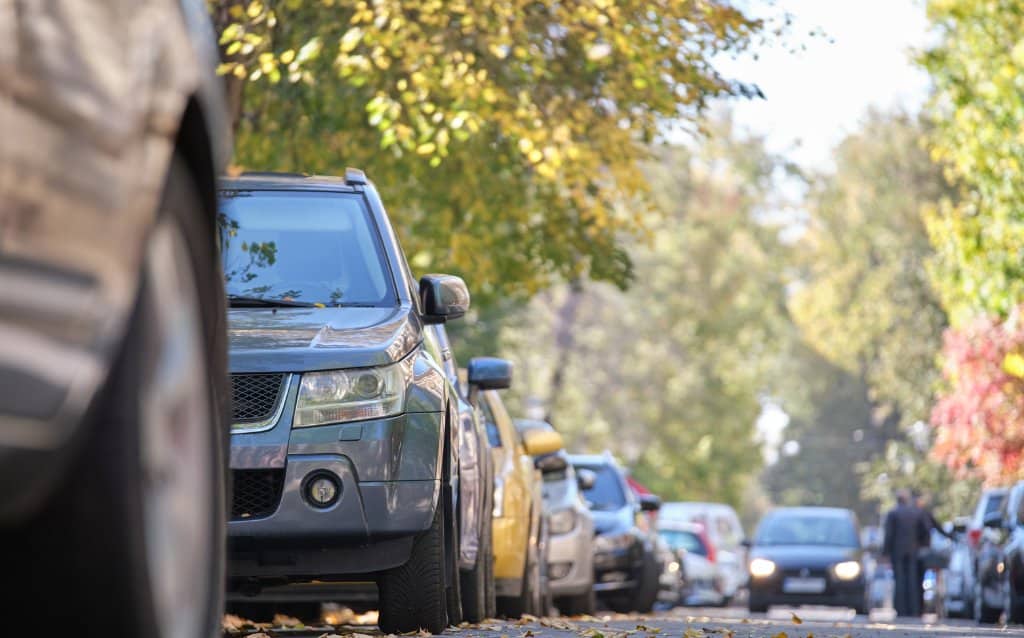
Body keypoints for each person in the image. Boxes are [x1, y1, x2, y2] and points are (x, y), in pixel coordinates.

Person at [883, 489, 928, 617]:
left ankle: (901, 609)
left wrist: (885, 552)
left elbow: (889, 535)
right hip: (913, 551)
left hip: (897, 552)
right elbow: (925, 531)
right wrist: (921, 545)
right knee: (912, 580)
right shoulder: (916, 513)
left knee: (899, 581)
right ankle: (913, 609)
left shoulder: (893, 513)